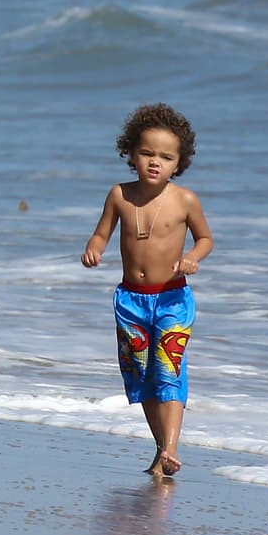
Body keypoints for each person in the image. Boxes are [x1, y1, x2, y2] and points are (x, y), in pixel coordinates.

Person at [81, 103, 213, 476]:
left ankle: (171, 448)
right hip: (130, 301)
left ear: (179, 162)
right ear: (131, 154)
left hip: (172, 297)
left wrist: (192, 258)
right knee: (142, 376)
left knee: (169, 371)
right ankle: (161, 449)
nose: (155, 162)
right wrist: (93, 248)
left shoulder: (185, 200)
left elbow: (206, 239)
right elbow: (101, 233)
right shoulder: (120, 196)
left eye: (166, 157)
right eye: (147, 153)